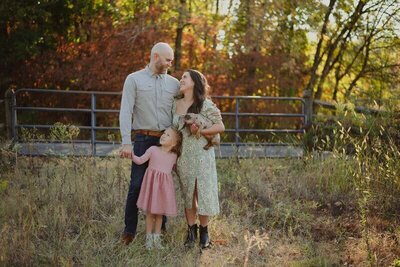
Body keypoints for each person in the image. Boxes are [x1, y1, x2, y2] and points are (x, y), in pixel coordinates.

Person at [119, 42, 180, 245]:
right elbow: (126, 111)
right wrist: (126, 142)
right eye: (168, 59)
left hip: (165, 142)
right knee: (136, 185)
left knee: (162, 186)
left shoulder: (174, 83)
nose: (171, 63)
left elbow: (180, 111)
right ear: (155, 57)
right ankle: (129, 231)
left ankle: (159, 231)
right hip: (142, 139)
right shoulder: (134, 79)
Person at [172, 69, 225, 249]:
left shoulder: (205, 104)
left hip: (202, 154)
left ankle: (204, 232)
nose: (181, 80)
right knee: (188, 194)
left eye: (185, 77)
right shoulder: (176, 104)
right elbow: (173, 130)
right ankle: (191, 232)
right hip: (184, 155)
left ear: (195, 82)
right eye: (181, 77)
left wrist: (200, 131)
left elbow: (220, 127)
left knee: (201, 192)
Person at [132, 127, 182, 249]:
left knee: (159, 214)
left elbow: (177, 170)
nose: (163, 135)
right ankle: (148, 239)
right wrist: (131, 154)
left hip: (164, 189)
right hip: (151, 186)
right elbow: (140, 160)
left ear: (174, 143)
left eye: (168, 135)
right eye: (164, 133)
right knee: (150, 213)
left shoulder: (174, 156)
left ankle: (157, 239)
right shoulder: (153, 150)